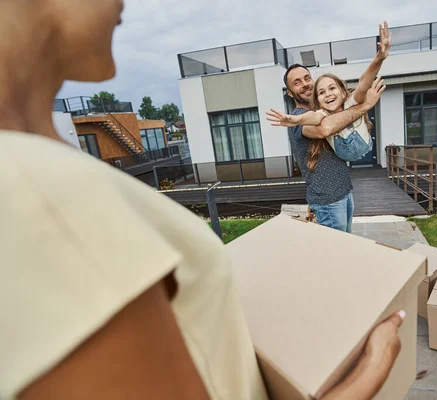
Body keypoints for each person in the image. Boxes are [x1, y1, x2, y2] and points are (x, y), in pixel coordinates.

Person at [0, 1, 406, 400]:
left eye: (310, 81)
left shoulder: (45, 179)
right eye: (298, 84)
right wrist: (363, 381)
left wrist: (375, 65)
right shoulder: (38, 194)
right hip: (327, 199)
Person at [268, 22, 391, 164]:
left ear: (343, 91)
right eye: (321, 92)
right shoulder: (322, 113)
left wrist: (379, 59)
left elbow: (363, 83)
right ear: (318, 99)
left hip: (364, 146)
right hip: (339, 165)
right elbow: (314, 118)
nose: (328, 94)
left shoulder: (350, 103)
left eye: (332, 88)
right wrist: (298, 120)